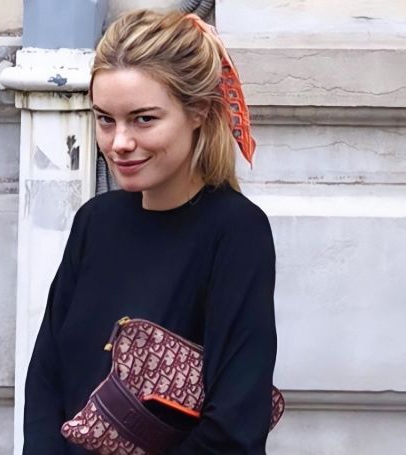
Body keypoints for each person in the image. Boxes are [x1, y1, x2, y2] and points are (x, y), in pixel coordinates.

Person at [23, 9, 277, 455]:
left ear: (198, 111)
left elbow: (235, 424)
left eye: (143, 119)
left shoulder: (237, 232)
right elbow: (46, 379)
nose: (119, 142)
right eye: (105, 119)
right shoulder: (95, 222)